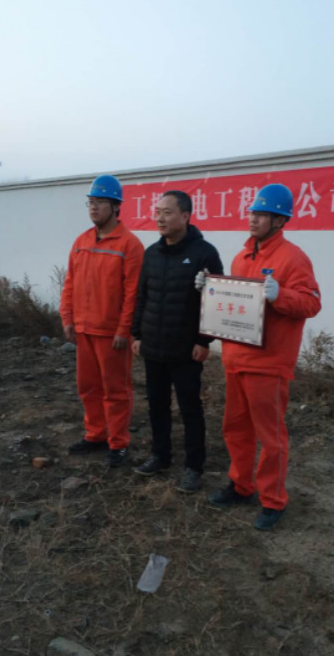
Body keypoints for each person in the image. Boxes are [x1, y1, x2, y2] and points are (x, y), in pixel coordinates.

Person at [199, 183, 321, 530]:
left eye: (262, 214)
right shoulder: (243, 257)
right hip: (237, 358)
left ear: (279, 220)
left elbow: (311, 303)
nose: (253, 219)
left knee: (270, 436)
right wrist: (209, 289)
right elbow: (234, 302)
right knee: (235, 428)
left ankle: (273, 500)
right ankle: (241, 485)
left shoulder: (293, 258)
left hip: (268, 363)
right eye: (252, 213)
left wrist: (281, 295)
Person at [131, 190, 223, 493]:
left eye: (167, 212)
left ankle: (193, 467)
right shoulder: (151, 253)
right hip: (154, 344)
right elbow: (142, 295)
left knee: (189, 409)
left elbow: (215, 301)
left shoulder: (204, 253)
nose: (160, 218)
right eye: (158, 212)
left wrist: (204, 341)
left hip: (186, 349)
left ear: (185, 216)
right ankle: (160, 455)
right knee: (156, 404)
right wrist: (137, 334)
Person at [60, 174, 144, 467]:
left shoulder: (130, 245)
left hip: (111, 333)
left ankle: (118, 443)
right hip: (84, 329)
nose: (94, 208)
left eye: (100, 202)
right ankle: (95, 434)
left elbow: (133, 293)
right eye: (91, 202)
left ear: (116, 206)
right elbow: (70, 282)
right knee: (88, 387)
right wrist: (67, 318)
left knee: (116, 390)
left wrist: (124, 329)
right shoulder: (81, 241)